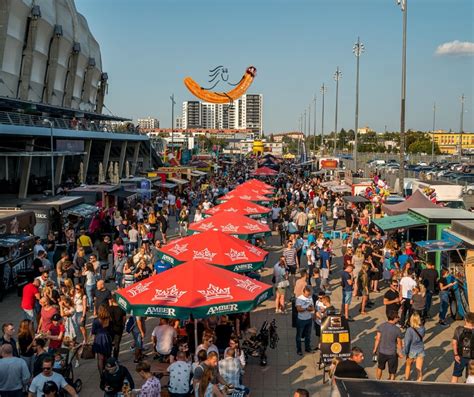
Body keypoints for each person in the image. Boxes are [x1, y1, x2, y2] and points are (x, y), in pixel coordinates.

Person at [373, 310, 403, 380]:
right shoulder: (397, 330)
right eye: (397, 317)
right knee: (392, 371)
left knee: (380, 367)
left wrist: (375, 349)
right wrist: (400, 352)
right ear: (394, 318)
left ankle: (378, 380)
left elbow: (377, 339)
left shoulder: (381, 326)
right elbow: (399, 343)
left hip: (381, 352)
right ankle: (391, 382)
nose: (398, 318)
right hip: (392, 353)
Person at [451, 311, 474, 383]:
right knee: (471, 376)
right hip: (472, 357)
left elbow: (454, 343)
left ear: (465, 319)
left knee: (455, 375)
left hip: (460, 356)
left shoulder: (459, 329)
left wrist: (456, 354)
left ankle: (451, 391)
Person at [404, 312, 425, 381]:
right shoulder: (422, 328)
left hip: (411, 350)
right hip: (420, 349)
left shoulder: (409, 330)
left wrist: (405, 352)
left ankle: (407, 379)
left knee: (408, 365)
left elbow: (407, 343)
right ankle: (419, 382)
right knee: (419, 369)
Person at [92, 305, 113, 373]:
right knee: (107, 357)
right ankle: (107, 372)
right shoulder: (109, 319)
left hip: (98, 339)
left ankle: (101, 375)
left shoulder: (96, 320)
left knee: (100, 358)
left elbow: (93, 331)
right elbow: (111, 330)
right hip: (107, 338)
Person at [295, 286, 314, 356]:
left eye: (309, 294)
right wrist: (306, 308)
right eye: (306, 294)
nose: (308, 296)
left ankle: (307, 348)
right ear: (303, 292)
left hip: (309, 319)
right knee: (299, 336)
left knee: (308, 335)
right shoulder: (299, 299)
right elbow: (299, 309)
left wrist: (309, 309)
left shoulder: (310, 297)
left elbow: (312, 308)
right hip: (301, 320)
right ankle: (299, 350)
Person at [108, 295, 126, 359]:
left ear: (112, 300)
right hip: (119, 329)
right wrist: (123, 325)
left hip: (110, 329)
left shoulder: (109, 309)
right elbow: (124, 319)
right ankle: (115, 358)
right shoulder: (122, 309)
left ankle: (109, 357)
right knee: (117, 344)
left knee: (109, 343)